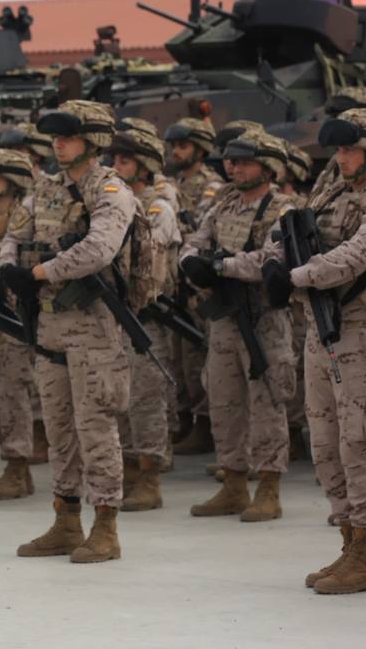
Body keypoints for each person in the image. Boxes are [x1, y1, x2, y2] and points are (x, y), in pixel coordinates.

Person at [261, 107, 366, 594]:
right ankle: (348, 540)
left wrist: (294, 277)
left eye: (350, 150)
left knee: (360, 444)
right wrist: (272, 261)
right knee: (325, 443)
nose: (341, 158)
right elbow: (284, 231)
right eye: (340, 150)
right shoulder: (331, 193)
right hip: (321, 331)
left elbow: (354, 257)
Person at [0, 100, 137, 562]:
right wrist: (9, 266)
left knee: (95, 426)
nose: (58, 143)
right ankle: (65, 519)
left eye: (67, 136)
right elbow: (14, 236)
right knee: (59, 427)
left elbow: (99, 249)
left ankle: (106, 526)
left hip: (94, 326)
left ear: (92, 140)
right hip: (51, 325)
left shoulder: (111, 189)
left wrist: (38, 273)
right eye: (55, 137)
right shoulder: (45, 190)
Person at [180, 134, 297, 522]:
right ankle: (233, 483)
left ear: (268, 167)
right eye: (231, 162)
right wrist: (196, 264)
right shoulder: (223, 205)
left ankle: (268, 488)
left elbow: (270, 260)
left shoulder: (282, 209)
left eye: (244, 162)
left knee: (267, 404)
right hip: (226, 319)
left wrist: (219, 266)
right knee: (224, 402)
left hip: (263, 319)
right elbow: (192, 246)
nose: (235, 168)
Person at [107, 123, 180, 512]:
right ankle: (132, 469)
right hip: (120, 316)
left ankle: (150, 476)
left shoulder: (157, 207)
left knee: (147, 399)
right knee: (124, 399)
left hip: (146, 317)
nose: (116, 167)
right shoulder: (122, 201)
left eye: (125, 160)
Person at [0, 148, 44, 500]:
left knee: (13, 392)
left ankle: (19, 467)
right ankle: (11, 461)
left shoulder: (24, 215)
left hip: (15, 316)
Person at [162, 115, 221, 455]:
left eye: (182, 146)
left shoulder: (210, 186)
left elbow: (197, 229)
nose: (176, 152)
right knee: (178, 358)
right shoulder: (171, 184)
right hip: (174, 284)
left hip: (195, 284)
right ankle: (184, 416)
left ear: (199, 150)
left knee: (198, 357)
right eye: (173, 146)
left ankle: (205, 424)